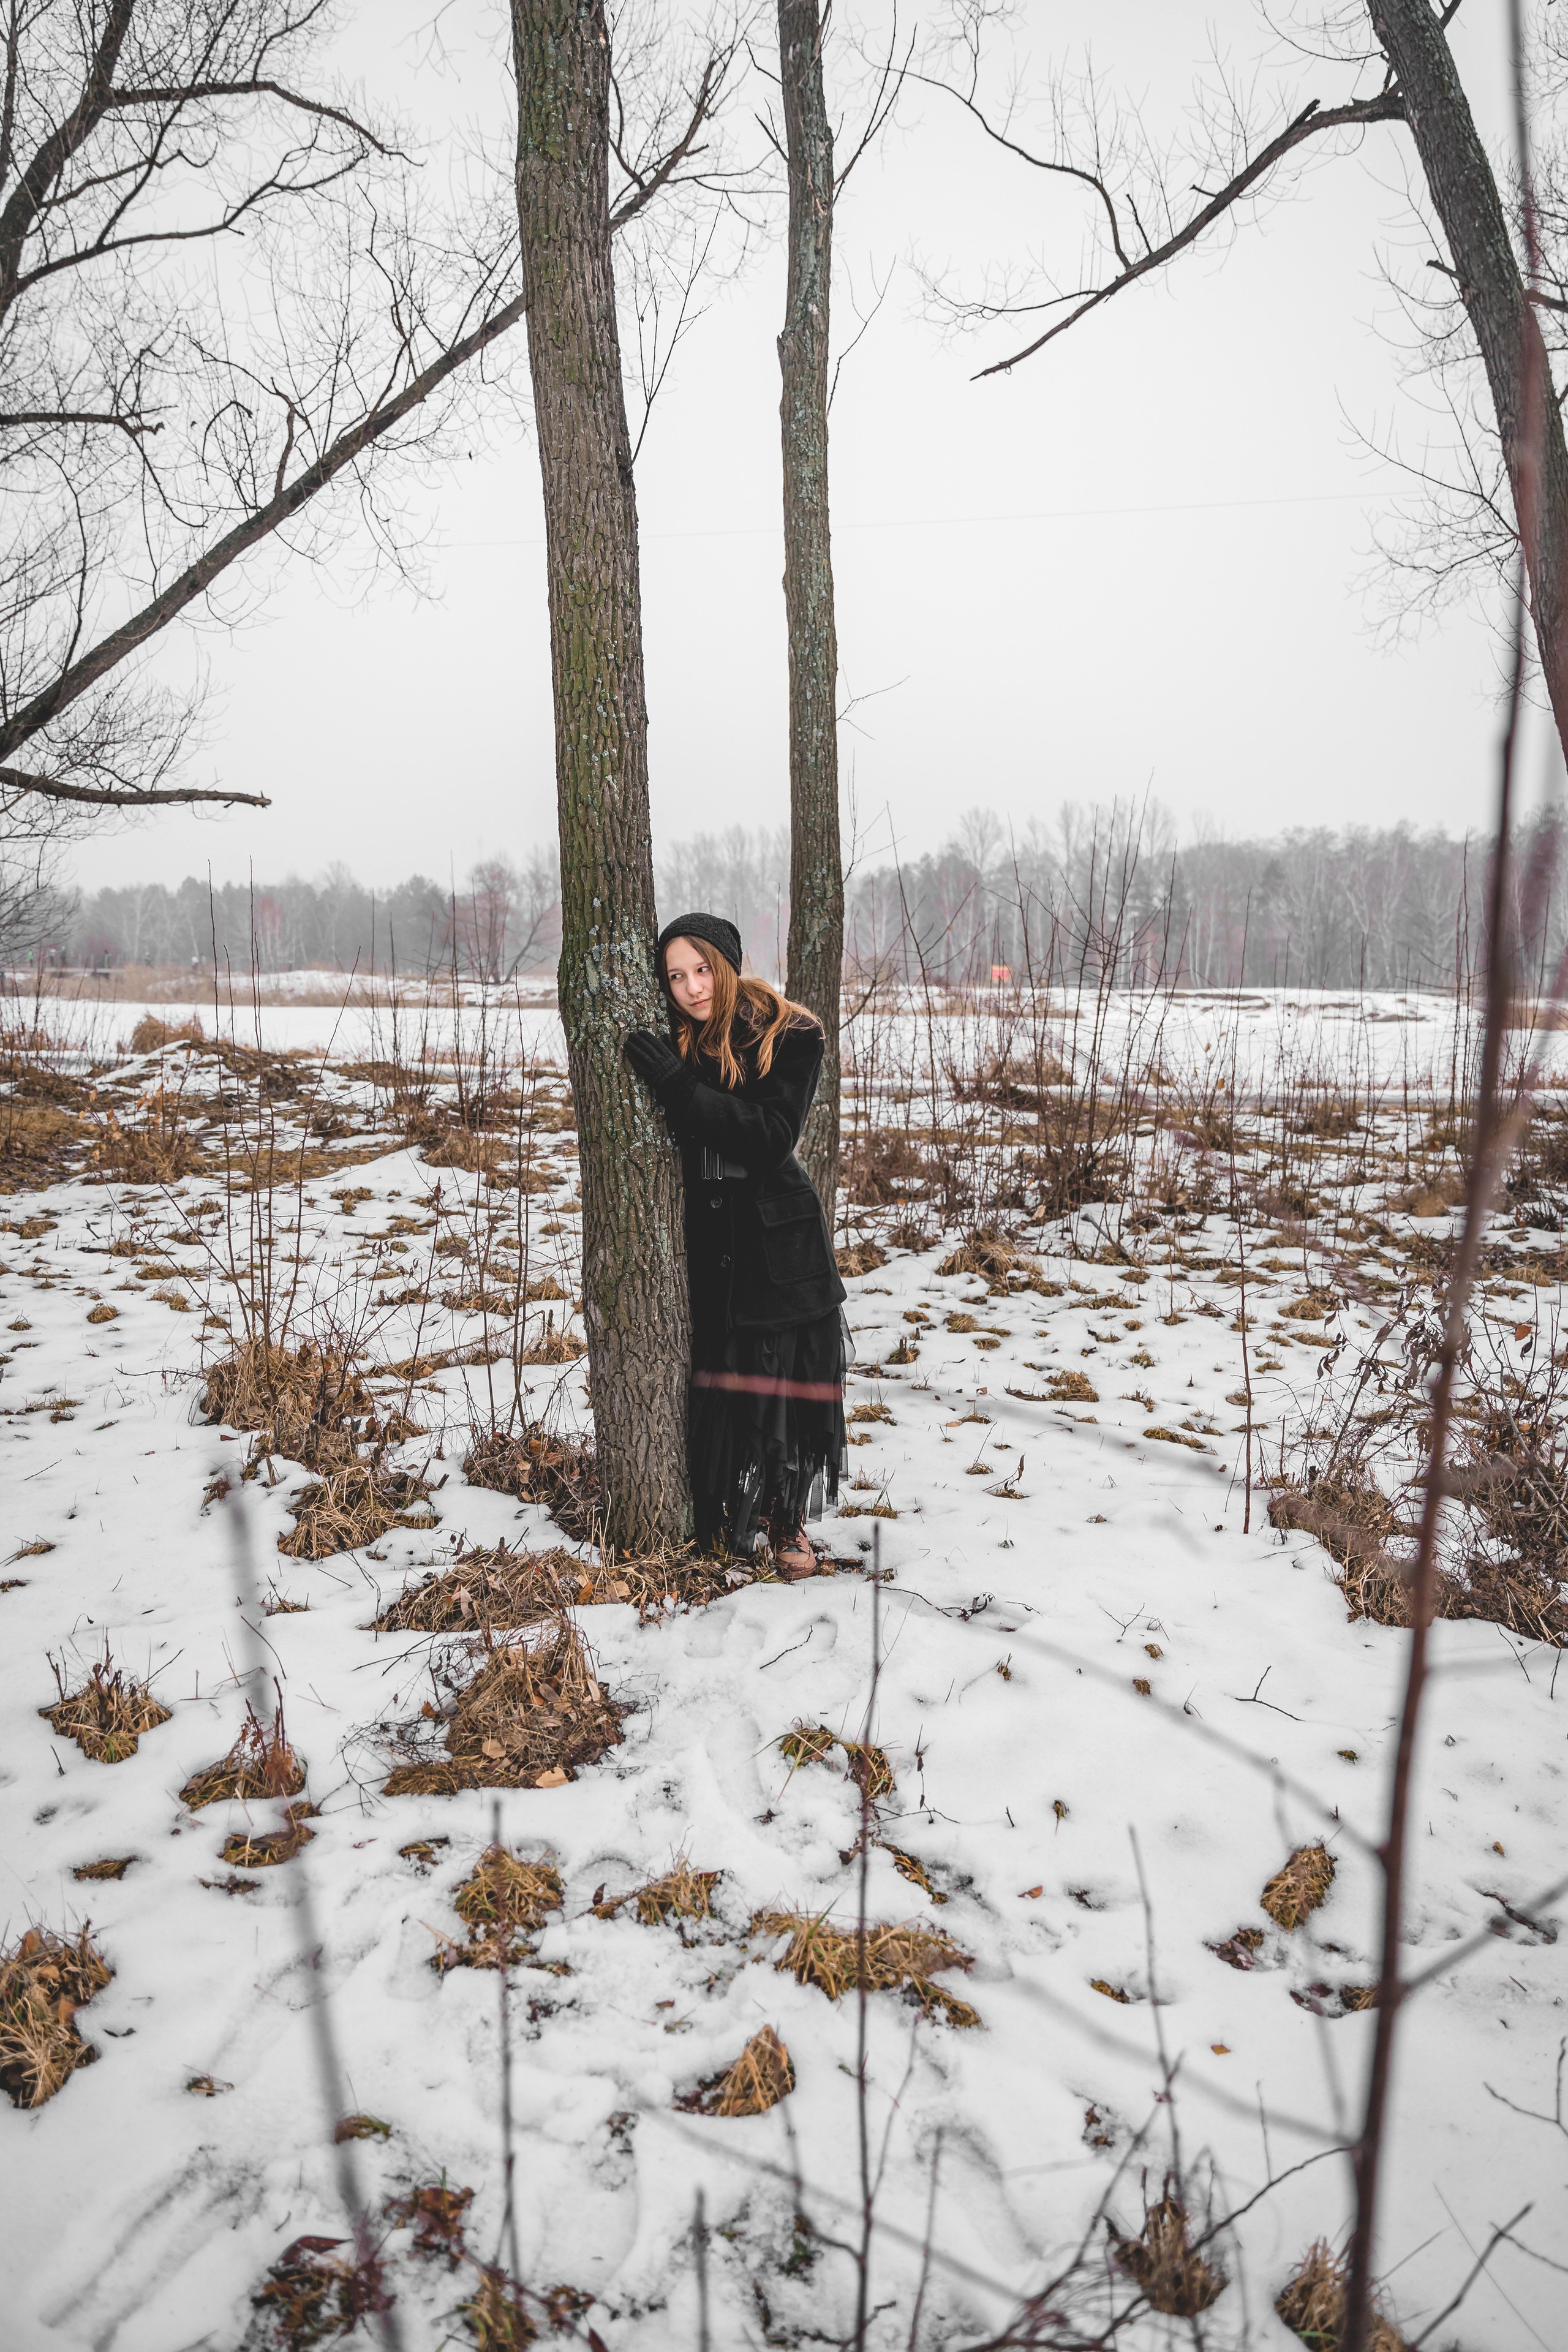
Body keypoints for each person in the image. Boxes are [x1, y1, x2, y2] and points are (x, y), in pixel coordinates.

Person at [623, 913, 847, 1578]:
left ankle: (786, 1523)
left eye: (701, 970)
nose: (692, 988)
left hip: (780, 1249)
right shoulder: (677, 1038)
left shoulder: (791, 1033)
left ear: (727, 964)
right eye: (675, 977)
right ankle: (721, 1514)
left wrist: (678, 1089)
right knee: (723, 1387)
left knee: (778, 1390)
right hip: (709, 1243)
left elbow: (768, 1134)